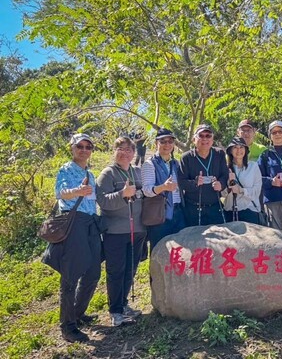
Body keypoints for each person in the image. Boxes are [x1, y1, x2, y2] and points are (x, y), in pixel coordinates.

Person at [42, 133, 102, 343]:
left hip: (90, 223)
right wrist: (77, 191)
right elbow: (61, 192)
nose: (84, 150)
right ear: (72, 148)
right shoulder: (66, 169)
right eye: (80, 146)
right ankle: (67, 326)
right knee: (71, 274)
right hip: (74, 222)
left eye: (88, 146)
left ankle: (77, 314)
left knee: (93, 271)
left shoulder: (91, 173)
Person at [96, 136, 146, 327]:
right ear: (114, 151)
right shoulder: (107, 174)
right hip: (115, 232)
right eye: (121, 149)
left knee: (130, 270)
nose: (125, 153)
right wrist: (122, 194)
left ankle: (123, 304)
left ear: (134, 153)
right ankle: (115, 311)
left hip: (138, 230)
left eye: (129, 149)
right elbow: (103, 201)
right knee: (116, 271)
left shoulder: (137, 172)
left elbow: (143, 195)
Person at [141, 128, 186, 252]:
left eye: (170, 141)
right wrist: (164, 187)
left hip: (178, 212)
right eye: (163, 141)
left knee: (179, 252)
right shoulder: (149, 164)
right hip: (160, 215)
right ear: (156, 143)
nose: (167, 145)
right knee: (159, 251)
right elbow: (147, 190)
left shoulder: (175, 164)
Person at [178, 124, 229, 226]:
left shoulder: (219, 154)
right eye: (201, 135)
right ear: (194, 139)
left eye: (208, 136)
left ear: (212, 139)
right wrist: (195, 183)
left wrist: (221, 184)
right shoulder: (186, 157)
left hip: (215, 206)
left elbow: (224, 174)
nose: (205, 139)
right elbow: (181, 182)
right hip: (193, 208)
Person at [223, 136, 262, 224]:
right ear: (230, 150)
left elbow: (257, 192)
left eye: (241, 147)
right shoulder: (225, 169)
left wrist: (241, 190)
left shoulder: (253, 167)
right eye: (235, 147)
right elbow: (222, 193)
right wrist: (229, 187)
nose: (239, 150)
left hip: (250, 212)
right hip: (230, 212)